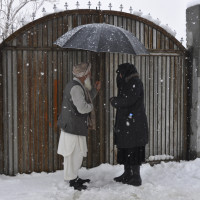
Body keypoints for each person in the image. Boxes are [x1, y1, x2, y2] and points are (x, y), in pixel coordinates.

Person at [57, 62, 101, 191]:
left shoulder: (78, 85)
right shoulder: (76, 88)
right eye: (89, 72)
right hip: (73, 127)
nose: (90, 74)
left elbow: (84, 99)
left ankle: (74, 177)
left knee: (76, 154)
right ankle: (72, 180)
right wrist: (92, 107)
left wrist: (95, 91)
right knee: (72, 154)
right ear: (84, 74)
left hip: (73, 126)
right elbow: (82, 108)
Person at [110, 63, 148, 186]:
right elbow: (125, 97)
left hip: (134, 124)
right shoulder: (127, 83)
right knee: (127, 147)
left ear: (126, 72)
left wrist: (115, 101)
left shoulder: (135, 83)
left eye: (120, 73)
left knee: (134, 149)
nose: (119, 75)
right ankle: (127, 174)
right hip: (128, 123)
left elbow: (128, 100)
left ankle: (136, 177)